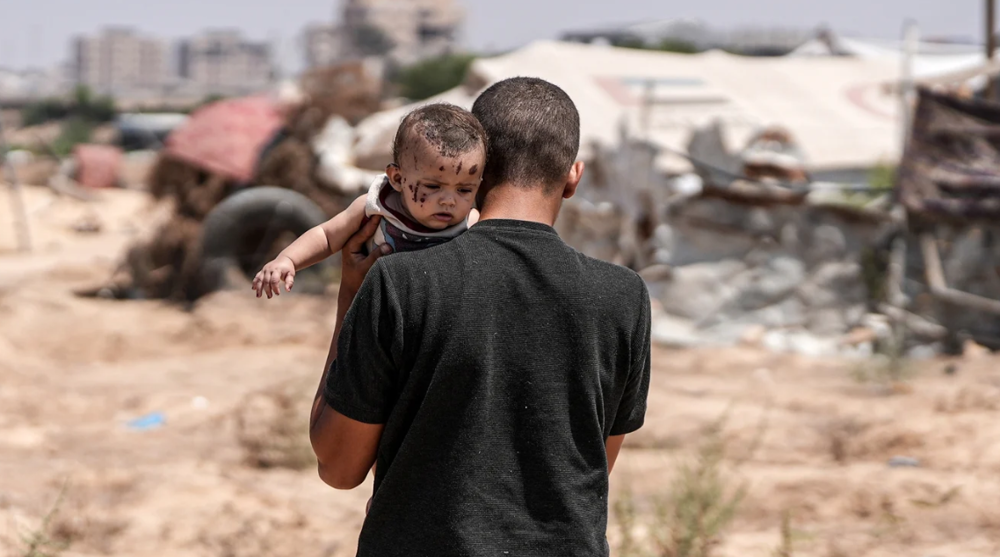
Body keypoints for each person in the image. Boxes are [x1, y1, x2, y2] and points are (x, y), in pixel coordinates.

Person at [310, 77, 652, 557]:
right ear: (573, 176)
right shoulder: (624, 297)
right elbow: (591, 468)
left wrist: (351, 290)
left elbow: (339, 467)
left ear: (480, 169)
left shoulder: (402, 283)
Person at [251, 103, 486, 299]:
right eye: (433, 187)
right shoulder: (377, 206)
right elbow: (326, 236)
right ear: (397, 178)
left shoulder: (471, 224)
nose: (449, 201)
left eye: (464, 190)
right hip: (380, 316)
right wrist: (287, 260)